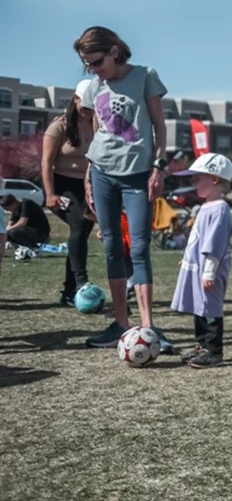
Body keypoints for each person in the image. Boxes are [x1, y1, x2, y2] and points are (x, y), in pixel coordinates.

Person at [75, 26, 173, 351]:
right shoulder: (93, 86)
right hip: (102, 171)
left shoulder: (146, 76)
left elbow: (159, 125)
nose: (93, 69)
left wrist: (159, 166)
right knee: (111, 247)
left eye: (97, 62)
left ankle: (148, 330)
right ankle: (120, 323)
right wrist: (90, 173)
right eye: (87, 65)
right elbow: (96, 127)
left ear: (114, 51)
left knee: (141, 248)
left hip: (138, 174)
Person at [171, 153, 232, 368]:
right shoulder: (205, 207)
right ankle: (201, 346)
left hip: (209, 271)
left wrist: (209, 271)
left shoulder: (220, 209)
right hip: (196, 268)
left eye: (198, 178)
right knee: (200, 307)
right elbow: (197, 241)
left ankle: (214, 351)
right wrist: (187, 259)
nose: (193, 182)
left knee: (210, 308)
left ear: (215, 179)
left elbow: (213, 244)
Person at [41, 80, 97, 306]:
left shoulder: (97, 123)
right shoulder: (60, 126)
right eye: (85, 107)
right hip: (63, 184)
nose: (88, 112)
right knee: (80, 224)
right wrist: (50, 194)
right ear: (75, 100)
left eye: (93, 107)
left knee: (81, 234)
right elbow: (46, 162)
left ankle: (69, 292)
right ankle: (82, 283)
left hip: (88, 185)